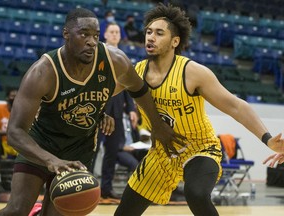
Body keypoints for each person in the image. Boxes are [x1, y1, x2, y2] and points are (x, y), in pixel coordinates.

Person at [0, 8, 184, 216]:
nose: (92, 42)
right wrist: (51, 160)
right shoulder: (43, 72)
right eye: (84, 34)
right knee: (16, 210)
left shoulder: (115, 60)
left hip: (79, 151)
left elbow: (139, 89)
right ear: (66, 34)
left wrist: (157, 126)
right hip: (41, 145)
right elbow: (15, 133)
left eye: (95, 35)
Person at [114, 3, 284, 216]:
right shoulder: (136, 71)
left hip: (200, 149)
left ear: (175, 41)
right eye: (148, 32)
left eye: (159, 33)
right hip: (162, 153)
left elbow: (235, 106)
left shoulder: (192, 72)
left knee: (196, 193)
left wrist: (267, 139)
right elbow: (102, 93)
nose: (150, 37)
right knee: (124, 212)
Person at [99, 22, 146, 199]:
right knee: (92, 149)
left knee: (112, 152)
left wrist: (132, 108)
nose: (114, 35)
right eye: (111, 32)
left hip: (117, 110)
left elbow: (128, 83)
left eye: (117, 32)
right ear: (105, 34)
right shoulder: (99, 53)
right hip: (98, 108)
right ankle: (84, 187)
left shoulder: (123, 56)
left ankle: (106, 189)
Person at [0, 88, 18, 190]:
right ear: (7, 98)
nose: (13, 99)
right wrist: (10, 132)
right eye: (12, 96)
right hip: (3, 144)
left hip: (19, 144)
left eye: (16, 96)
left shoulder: (23, 109)